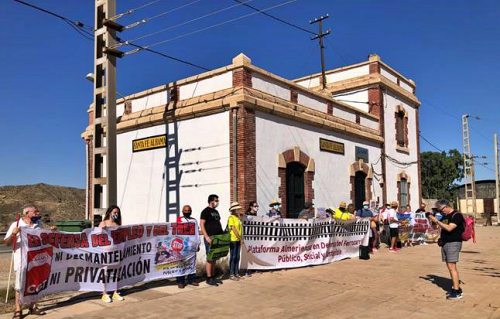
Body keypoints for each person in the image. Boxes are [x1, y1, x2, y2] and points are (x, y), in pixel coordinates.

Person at [4, 205, 47, 319]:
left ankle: (33, 307)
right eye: (35, 212)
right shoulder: (17, 224)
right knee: (20, 285)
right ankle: (18, 309)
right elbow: (6, 243)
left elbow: (44, 240)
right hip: (21, 261)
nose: (38, 214)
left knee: (36, 283)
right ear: (27, 213)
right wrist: (13, 234)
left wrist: (52, 233)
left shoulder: (39, 225)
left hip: (36, 260)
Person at [428, 199, 465, 300]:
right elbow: (438, 227)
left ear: (447, 206)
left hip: (453, 243)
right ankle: (455, 287)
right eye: (439, 210)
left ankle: (457, 291)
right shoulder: (445, 216)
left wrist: (437, 221)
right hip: (445, 243)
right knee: (450, 267)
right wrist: (432, 221)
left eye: (441, 209)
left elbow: (449, 228)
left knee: (452, 266)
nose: (441, 211)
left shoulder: (457, 215)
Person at [98, 205, 124, 303]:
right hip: (105, 252)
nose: (116, 214)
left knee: (116, 273)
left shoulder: (118, 225)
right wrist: (102, 229)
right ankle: (104, 294)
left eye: (117, 213)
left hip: (116, 252)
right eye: (114, 212)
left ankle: (115, 292)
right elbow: (96, 236)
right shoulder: (103, 223)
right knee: (105, 273)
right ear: (109, 213)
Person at [200, 194, 224, 286]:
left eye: (217, 200)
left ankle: (213, 276)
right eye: (216, 200)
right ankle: (209, 277)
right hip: (210, 237)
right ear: (211, 201)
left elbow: (218, 223)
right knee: (210, 258)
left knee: (214, 258)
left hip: (217, 237)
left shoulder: (216, 212)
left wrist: (222, 235)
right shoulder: (205, 211)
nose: (217, 202)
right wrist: (206, 237)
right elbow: (202, 224)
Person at [176, 205, 200, 289]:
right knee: (181, 264)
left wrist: (198, 244)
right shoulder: (179, 219)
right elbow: (176, 232)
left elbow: (197, 233)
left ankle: (191, 279)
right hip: (182, 246)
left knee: (192, 263)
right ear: (182, 211)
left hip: (192, 246)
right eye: (185, 210)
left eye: (189, 210)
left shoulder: (194, 220)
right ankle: (180, 281)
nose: (187, 212)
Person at [227, 202, 243, 280]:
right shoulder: (231, 217)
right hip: (233, 239)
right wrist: (240, 238)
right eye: (237, 209)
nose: (238, 210)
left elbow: (240, 228)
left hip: (238, 239)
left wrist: (240, 238)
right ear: (233, 210)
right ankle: (231, 274)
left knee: (237, 256)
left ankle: (236, 272)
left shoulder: (237, 218)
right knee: (233, 257)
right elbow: (233, 228)